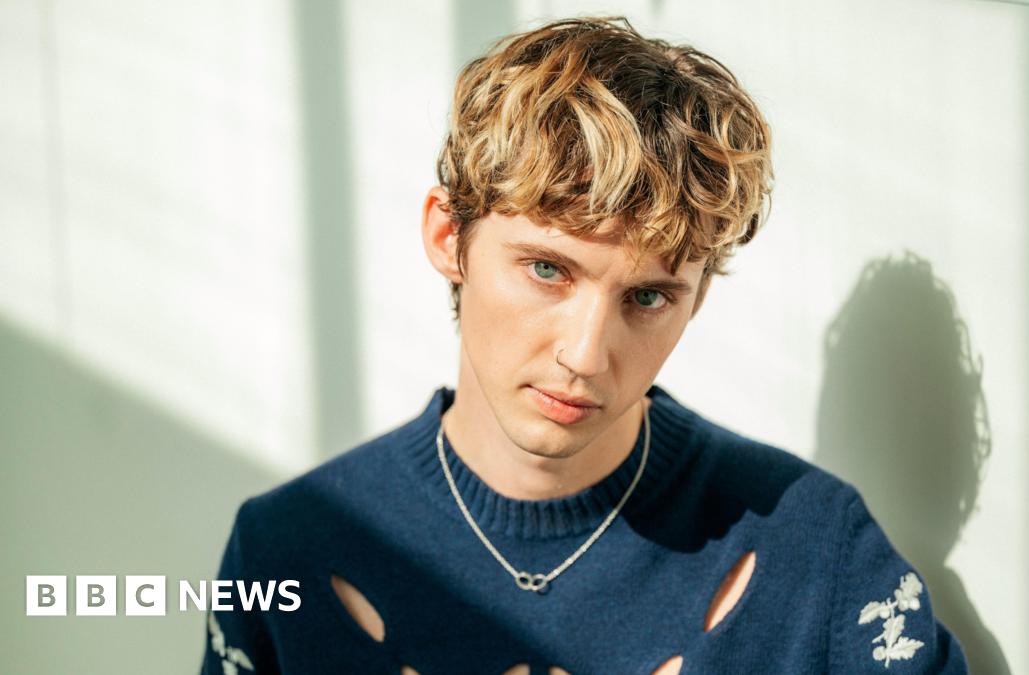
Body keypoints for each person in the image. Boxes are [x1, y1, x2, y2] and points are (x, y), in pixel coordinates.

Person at [202, 17, 968, 674]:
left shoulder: (816, 549)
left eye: (647, 296)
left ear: (696, 296)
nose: (586, 353)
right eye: (547, 269)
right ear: (448, 236)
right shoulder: (284, 549)